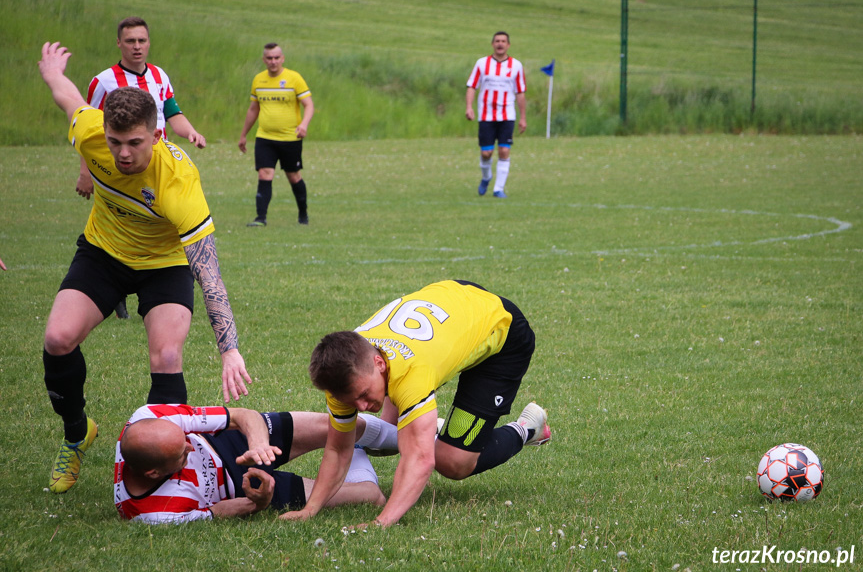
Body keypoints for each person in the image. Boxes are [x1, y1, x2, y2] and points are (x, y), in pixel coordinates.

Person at [38, 41, 252, 494]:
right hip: (104, 253)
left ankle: (168, 471)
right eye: (115, 143)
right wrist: (53, 70)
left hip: (164, 264)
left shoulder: (178, 181)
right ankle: (77, 434)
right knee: (57, 339)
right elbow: (67, 98)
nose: (123, 154)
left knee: (168, 355)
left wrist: (228, 348)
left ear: (156, 136)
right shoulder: (92, 133)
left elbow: (208, 272)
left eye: (134, 143)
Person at [280, 280, 551, 527]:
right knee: (386, 432)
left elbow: (421, 459)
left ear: (378, 363)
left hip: (500, 329)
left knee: (451, 461)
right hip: (453, 307)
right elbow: (338, 450)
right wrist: (310, 509)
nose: (361, 407)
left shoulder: (411, 372)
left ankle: (526, 429)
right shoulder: (343, 374)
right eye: (353, 401)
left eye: (364, 395)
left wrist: (381, 522)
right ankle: (420, 421)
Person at [77, 17, 207, 320]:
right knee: (114, 222)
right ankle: (110, 285)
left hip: (154, 164)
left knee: (162, 224)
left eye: (142, 40)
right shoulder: (104, 81)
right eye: (130, 41)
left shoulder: (159, 75)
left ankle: (156, 287)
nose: (137, 46)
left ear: (149, 42)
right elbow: (90, 131)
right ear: (119, 43)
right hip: (117, 165)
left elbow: (173, 112)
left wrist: (190, 132)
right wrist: (85, 172)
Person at [115, 403, 398, 523]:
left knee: (343, 426)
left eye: (185, 438)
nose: (190, 445)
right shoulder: (154, 515)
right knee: (369, 497)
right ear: (152, 472)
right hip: (243, 488)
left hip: (232, 440)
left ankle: (419, 436)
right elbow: (223, 510)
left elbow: (243, 415)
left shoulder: (149, 416)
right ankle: (358, 452)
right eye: (181, 453)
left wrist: (259, 446)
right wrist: (260, 501)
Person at [239, 42, 314, 227]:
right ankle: (260, 218)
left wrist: (303, 125)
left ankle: (303, 213)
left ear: (282, 58)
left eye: (276, 58)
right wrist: (243, 135)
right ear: (264, 60)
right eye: (269, 58)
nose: (273, 62)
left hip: (290, 138)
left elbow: (309, 105)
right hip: (265, 137)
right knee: (264, 174)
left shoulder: (294, 78)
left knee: (293, 176)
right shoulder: (258, 80)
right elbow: (253, 109)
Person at [465, 31, 527, 199]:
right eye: (497, 41)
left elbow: (520, 92)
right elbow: (472, 86)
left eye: (503, 41)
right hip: (486, 115)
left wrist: (523, 117)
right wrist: (469, 107)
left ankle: (498, 189)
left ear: (508, 45)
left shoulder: (516, 66)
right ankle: (486, 177)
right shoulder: (482, 63)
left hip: (507, 115)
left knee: (504, 150)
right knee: (486, 153)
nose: (500, 44)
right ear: (492, 44)